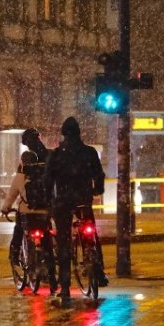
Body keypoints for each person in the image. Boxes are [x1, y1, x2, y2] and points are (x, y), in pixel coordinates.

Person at [44, 116, 109, 303]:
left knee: (64, 243)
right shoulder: (89, 152)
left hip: (63, 202)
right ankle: (99, 271)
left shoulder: (56, 154)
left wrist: (49, 200)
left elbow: (47, 180)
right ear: (79, 133)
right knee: (92, 235)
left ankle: (64, 287)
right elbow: (99, 174)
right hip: (83, 200)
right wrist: (98, 189)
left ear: (63, 134)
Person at [0, 128, 50, 265]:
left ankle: (15, 254)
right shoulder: (47, 155)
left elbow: (12, 193)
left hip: (27, 210)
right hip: (45, 207)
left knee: (19, 228)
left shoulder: (22, 171)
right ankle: (50, 259)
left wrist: (5, 208)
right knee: (47, 231)